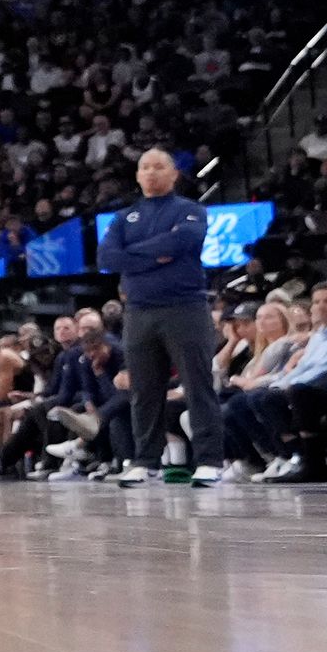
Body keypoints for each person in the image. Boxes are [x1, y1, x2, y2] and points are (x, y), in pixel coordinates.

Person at [106, 148, 228, 483]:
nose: (151, 172)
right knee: (144, 390)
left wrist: (134, 254)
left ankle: (210, 460)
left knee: (197, 384)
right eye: (144, 167)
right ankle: (145, 460)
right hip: (139, 312)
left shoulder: (190, 210)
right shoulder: (124, 217)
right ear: (137, 175)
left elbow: (185, 241)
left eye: (159, 167)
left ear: (174, 174)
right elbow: (108, 257)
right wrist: (155, 254)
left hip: (184, 307)